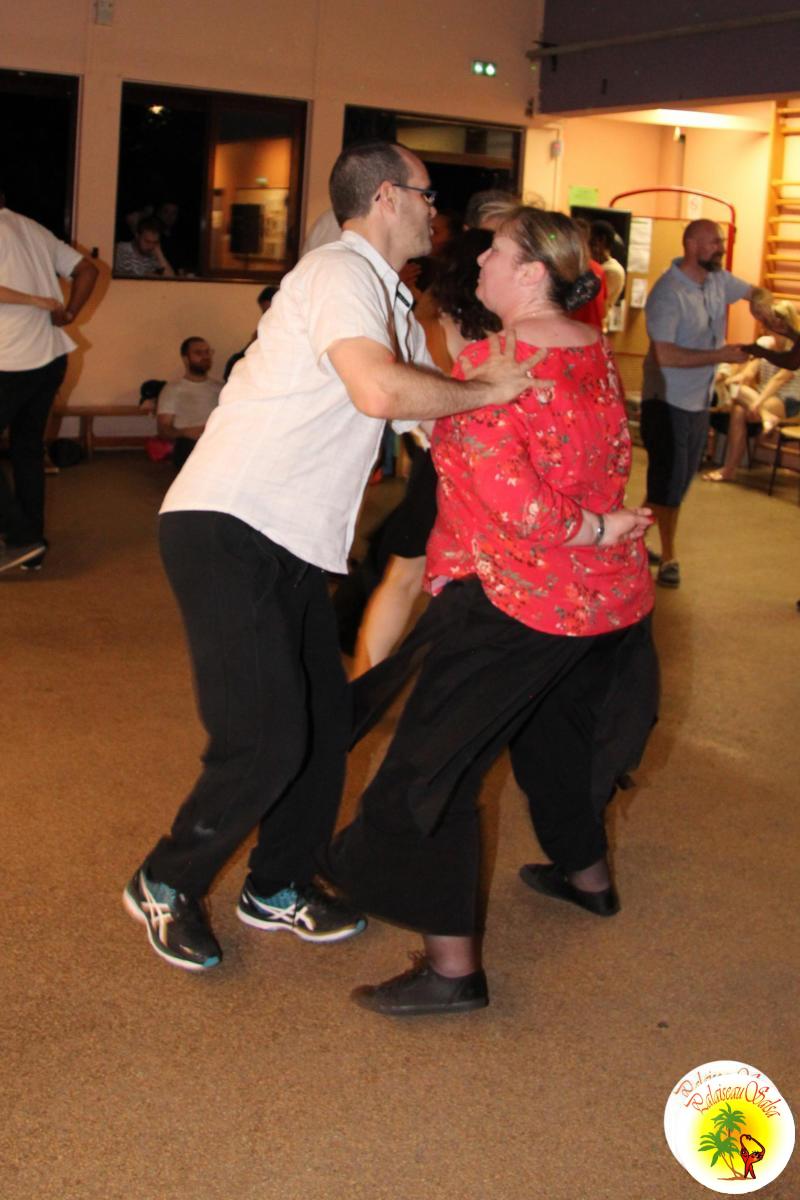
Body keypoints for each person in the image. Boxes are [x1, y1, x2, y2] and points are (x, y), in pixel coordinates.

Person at [122, 140, 537, 972]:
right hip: (228, 523)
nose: (435, 212)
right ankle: (165, 880)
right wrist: (487, 389)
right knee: (266, 739)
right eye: (426, 195)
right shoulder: (338, 273)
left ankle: (277, 884)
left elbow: (432, 424)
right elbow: (381, 391)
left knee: (321, 727)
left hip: (294, 543)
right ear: (385, 197)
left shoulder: (389, 300)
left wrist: (537, 503)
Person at [320, 207, 657, 1017]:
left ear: (533, 273)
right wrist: (601, 530)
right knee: (549, 739)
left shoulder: (492, 364)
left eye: (496, 255)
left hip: (516, 598)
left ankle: (452, 971)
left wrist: (593, 526)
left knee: (428, 775)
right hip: (598, 601)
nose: (479, 266)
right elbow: (607, 454)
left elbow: (519, 506)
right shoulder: (590, 348)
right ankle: (587, 878)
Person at [348, 227, 499, 675]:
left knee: (403, 578)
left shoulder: (433, 324)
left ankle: (364, 684)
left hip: (442, 462)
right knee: (473, 582)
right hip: (486, 468)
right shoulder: (510, 329)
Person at [640, 219, 774, 588]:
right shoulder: (668, 293)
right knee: (669, 483)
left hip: (697, 401)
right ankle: (669, 557)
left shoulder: (717, 280)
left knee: (677, 480)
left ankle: (628, 538)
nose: (721, 247)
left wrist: (763, 306)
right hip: (666, 400)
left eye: (720, 241)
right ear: (691, 244)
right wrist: (721, 355)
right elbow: (666, 355)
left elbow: (756, 292)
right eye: (714, 241)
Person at [0, 186, 98, 573]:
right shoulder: (32, 228)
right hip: (50, 357)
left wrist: (36, 301)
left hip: (12, 360)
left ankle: (21, 536)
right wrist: (69, 312)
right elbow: (88, 269)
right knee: (26, 449)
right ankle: (32, 548)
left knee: (25, 449)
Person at [704, 300, 800, 483]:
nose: (768, 326)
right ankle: (766, 417)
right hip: (761, 396)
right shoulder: (764, 343)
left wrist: (757, 403)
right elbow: (750, 371)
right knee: (738, 406)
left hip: (787, 399)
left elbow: (779, 379)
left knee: (740, 409)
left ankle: (728, 470)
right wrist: (735, 379)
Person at [156, 337, 222, 470]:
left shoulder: (221, 388)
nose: (205, 356)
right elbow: (163, 429)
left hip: (218, 439)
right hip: (189, 443)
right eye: (198, 353)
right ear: (186, 359)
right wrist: (186, 432)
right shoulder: (173, 389)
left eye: (207, 352)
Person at [223, 286, 278, 381]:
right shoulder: (261, 334)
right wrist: (252, 345)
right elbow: (231, 373)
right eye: (264, 313)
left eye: (271, 312)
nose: (267, 317)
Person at [589, 220, 627, 324]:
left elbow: (592, 302)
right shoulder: (596, 265)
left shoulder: (613, 270)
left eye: (590, 241)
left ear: (601, 240)